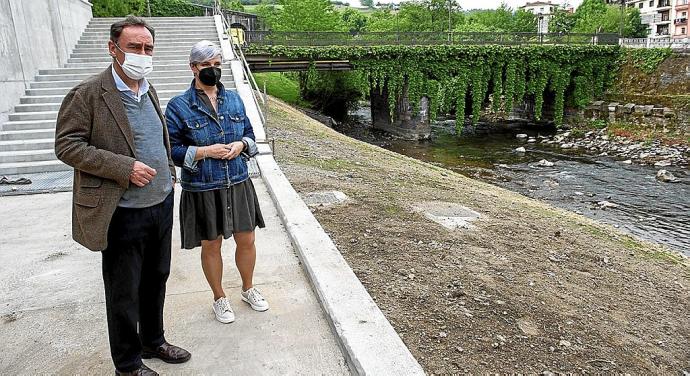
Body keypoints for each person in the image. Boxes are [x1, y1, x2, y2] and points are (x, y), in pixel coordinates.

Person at [54, 16, 191, 376]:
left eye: (148, 48)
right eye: (134, 47)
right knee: (123, 291)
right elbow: (67, 146)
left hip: (160, 205)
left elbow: (158, 139)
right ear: (113, 48)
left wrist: (169, 175)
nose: (142, 54)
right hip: (122, 211)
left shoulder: (149, 89)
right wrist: (123, 167)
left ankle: (153, 341)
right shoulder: (87, 94)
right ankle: (128, 365)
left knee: (157, 277)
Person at [165, 40, 267, 324]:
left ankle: (248, 288)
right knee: (212, 244)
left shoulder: (234, 98)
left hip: (237, 180)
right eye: (206, 65)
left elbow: (249, 132)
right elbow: (170, 148)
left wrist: (241, 144)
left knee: (247, 239)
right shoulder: (178, 106)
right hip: (203, 186)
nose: (213, 70)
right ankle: (219, 297)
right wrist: (203, 151)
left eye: (217, 65)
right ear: (193, 68)